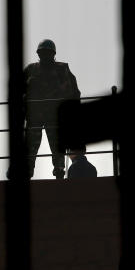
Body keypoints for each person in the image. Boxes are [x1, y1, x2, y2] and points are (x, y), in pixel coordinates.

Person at [24, 39, 81, 179]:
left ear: (53, 54)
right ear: (39, 54)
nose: (45, 56)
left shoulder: (62, 69)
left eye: (48, 53)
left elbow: (74, 92)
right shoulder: (31, 69)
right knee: (30, 146)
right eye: (43, 53)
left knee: (57, 146)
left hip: (54, 115)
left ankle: (59, 171)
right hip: (35, 115)